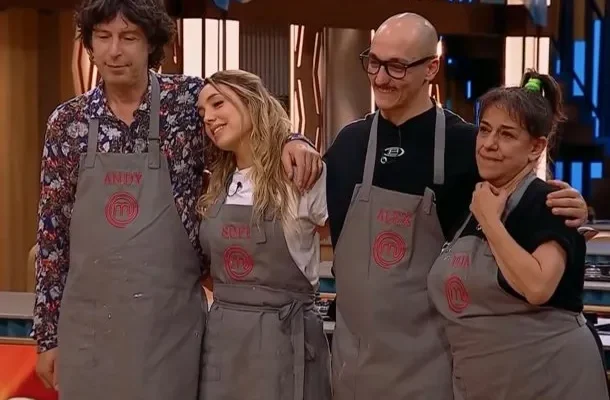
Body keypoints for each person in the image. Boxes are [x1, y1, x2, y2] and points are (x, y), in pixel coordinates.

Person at [33, 0, 321, 398]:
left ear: (150, 43)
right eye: (103, 37)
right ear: (90, 44)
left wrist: (293, 140)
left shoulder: (187, 102)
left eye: (128, 37)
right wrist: (47, 336)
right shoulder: (67, 123)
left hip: (170, 331)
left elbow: (251, 117)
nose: (114, 50)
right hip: (89, 331)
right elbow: (51, 237)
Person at [324, 13, 590, 400]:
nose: (380, 77)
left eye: (397, 66)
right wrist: (292, 144)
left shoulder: (470, 148)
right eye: (374, 62)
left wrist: (574, 206)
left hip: (433, 367)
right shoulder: (348, 145)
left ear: (431, 68)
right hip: (351, 367)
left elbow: (525, 198)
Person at [427, 70, 609, 399]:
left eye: (507, 135)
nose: (489, 144)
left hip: (553, 380)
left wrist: (491, 221)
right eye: (485, 130)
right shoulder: (472, 200)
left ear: (536, 147)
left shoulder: (550, 203)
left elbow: (538, 286)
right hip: (489, 383)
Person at [196, 69, 331, 399]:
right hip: (224, 345)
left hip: (285, 344)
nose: (208, 118)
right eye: (202, 112)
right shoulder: (215, 185)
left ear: (252, 102)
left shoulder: (300, 173)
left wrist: (296, 139)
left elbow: (344, 239)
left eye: (218, 104)